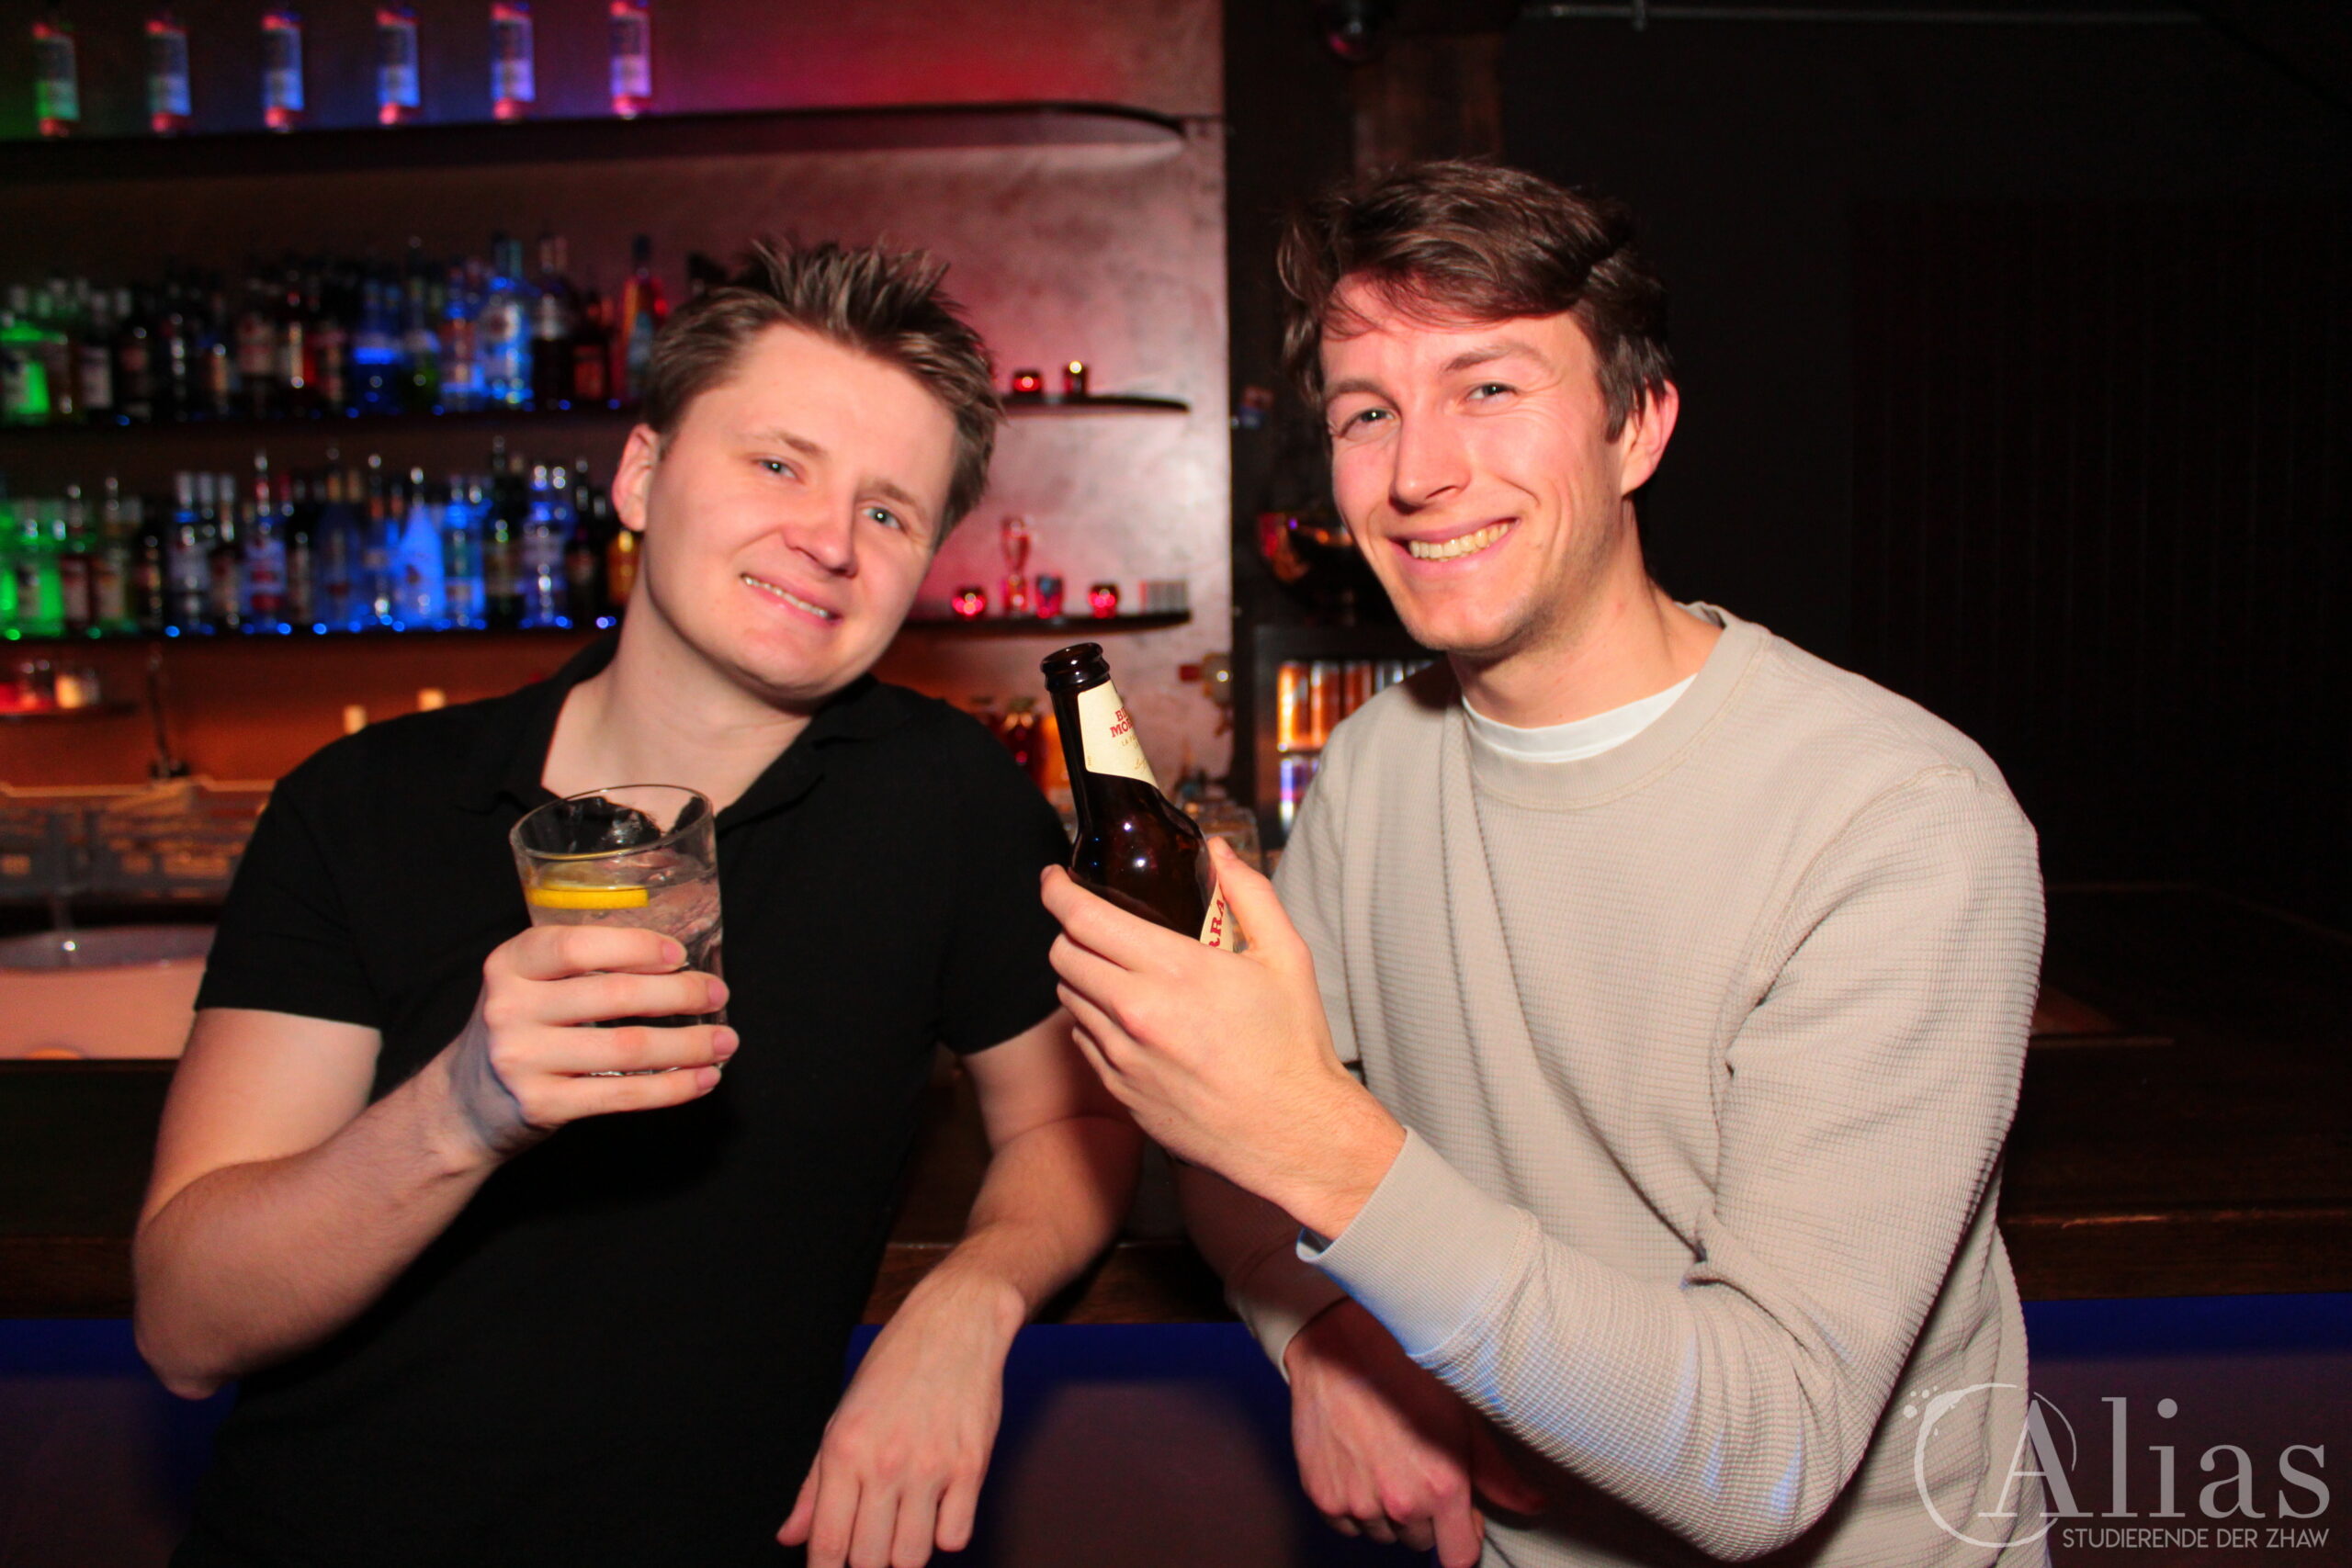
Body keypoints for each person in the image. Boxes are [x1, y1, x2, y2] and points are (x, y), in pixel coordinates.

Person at [1042, 161, 2047, 1567]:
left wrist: (1315, 1140)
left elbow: (1769, 1453)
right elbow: (1229, 1148)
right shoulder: (1375, 768)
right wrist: (1317, 1327)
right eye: (1368, 412)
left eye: (1491, 388)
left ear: (1637, 428)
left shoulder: (1899, 819)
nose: (1418, 472)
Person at [136, 239, 1140, 1568]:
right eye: (776, 464)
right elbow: (186, 1327)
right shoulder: (367, 802)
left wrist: (972, 1302)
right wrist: (462, 1111)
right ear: (641, 476)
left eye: (889, 513)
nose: (828, 540)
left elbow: (1071, 1118)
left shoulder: (946, 803)